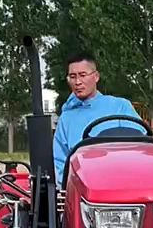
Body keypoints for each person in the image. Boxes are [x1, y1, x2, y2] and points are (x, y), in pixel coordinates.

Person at [52, 53, 141, 184]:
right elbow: (59, 162)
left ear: (96, 76)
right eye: (72, 76)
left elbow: (141, 146)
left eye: (83, 75)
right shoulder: (66, 118)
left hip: (123, 181)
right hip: (83, 190)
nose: (77, 82)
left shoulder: (120, 106)